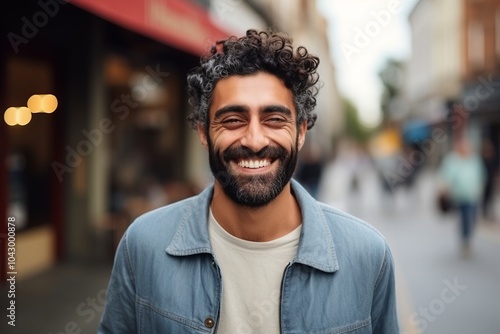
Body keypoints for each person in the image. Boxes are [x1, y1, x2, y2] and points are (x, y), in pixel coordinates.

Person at [98, 29, 399, 333]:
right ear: (204, 132)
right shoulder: (143, 245)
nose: (254, 140)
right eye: (233, 120)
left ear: (301, 131)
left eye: (274, 119)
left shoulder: (367, 255)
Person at [439, 135, 486, 258]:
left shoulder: (475, 160)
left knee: (472, 219)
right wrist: (444, 188)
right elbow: (445, 176)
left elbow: (481, 175)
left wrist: (480, 188)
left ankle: (467, 237)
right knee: (465, 218)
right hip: (459, 196)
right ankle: (465, 240)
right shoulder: (452, 160)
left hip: (473, 195)